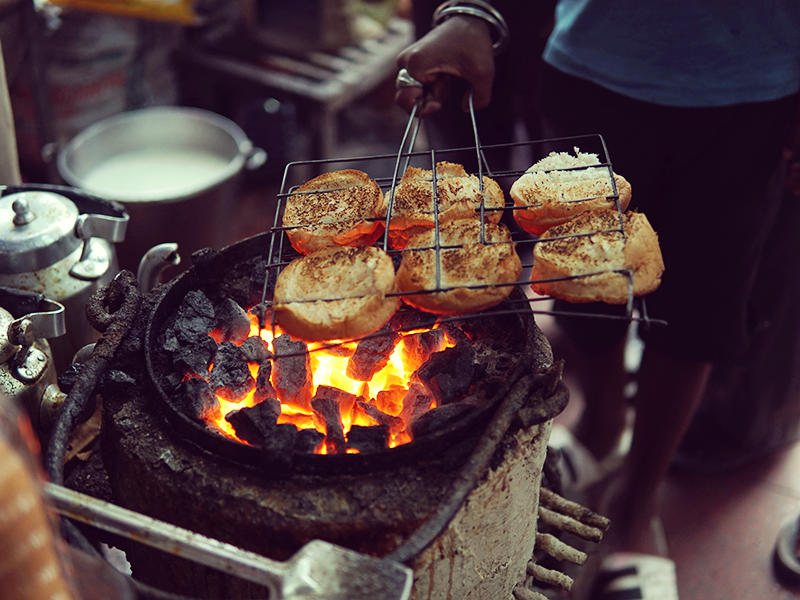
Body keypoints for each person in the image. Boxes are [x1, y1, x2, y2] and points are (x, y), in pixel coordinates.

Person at [395, 1, 800, 597]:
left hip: (753, 95)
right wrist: (474, 12)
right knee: (581, 284)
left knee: (699, 314)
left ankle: (639, 508)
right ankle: (601, 428)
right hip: (592, 70)